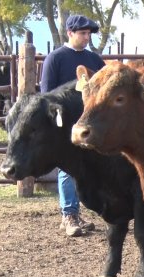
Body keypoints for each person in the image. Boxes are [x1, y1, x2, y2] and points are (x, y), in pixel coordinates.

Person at [40, 15, 106, 237]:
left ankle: (82, 212)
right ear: (69, 33)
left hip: (90, 122)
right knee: (68, 168)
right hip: (66, 122)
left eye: (88, 34)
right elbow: (47, 95)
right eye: (82, 33)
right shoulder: (55, 59)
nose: (87, 37)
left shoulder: (95, 60)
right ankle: (69, 214)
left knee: (91, 166)